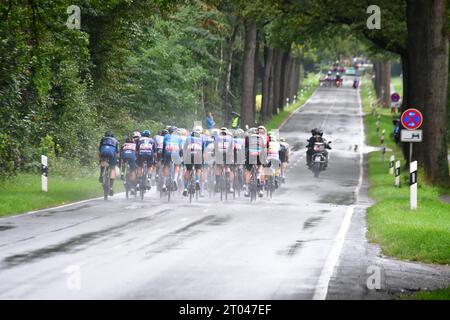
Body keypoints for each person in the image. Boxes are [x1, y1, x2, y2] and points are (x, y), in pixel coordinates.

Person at [182, 126, 205, 197]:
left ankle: (185, 188)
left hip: (189, 155)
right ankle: (197, 180)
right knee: (198, 169)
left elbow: (184, 149)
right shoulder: (201, 139)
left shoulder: (188, 138)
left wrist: (183, 159)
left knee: (188, 170)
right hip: (198, 155)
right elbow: (203, 151)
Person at [98, 131, 119, 196]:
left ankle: (101, 175)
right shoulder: (115, 141)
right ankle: (111, 187)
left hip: (103, 152)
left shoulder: (103, 139)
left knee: (103, 162)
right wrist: (117, 160)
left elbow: (99, 149)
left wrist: (100, 159)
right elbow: (117, 152)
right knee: (112, 168)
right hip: (112, 154)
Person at [162, 126, 183, 192]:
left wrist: (163, 156)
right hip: (175, 152)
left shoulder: (166, 136)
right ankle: (175, 179)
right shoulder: (179, 137)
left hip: (167, 152)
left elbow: (163, 146)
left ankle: (164, 184)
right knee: (177, 165)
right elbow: (181, 149)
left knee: (166, 166)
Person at [214, 127, 234, 193]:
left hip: (219, 153)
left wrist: (214, 153)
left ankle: (217, 184)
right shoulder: (230, 138)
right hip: (227, 153)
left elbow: (215, 146)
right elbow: (232, 147)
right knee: (227, 167)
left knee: (218, 167)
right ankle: (228, 181)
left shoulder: (217, 137)